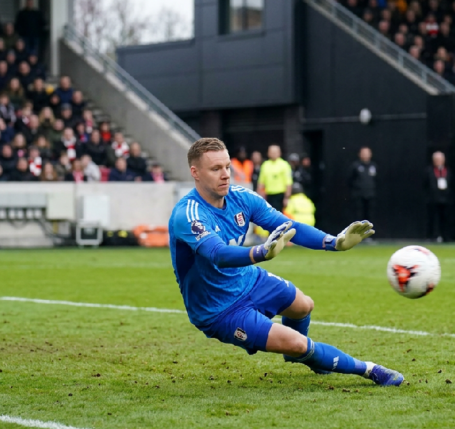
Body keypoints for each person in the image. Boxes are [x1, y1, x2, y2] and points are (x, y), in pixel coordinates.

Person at [167, 137, 403, 386]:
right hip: (218, 308)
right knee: (299, 343)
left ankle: (298, 356)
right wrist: (261, 253)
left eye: (227, 166)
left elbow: (289, 226)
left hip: (247, 279)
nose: (225, 174)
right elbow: (218, 254)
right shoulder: (188, 214)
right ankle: (369, 369)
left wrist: (334, 243)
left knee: (303, 306)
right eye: (216, 169)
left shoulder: (241, 198)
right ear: (195, 172)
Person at [424, 151, 453, 242]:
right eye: (436, 159)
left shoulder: (448, 171)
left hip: (445, 199)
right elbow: (425, 184)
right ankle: (432, 236)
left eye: (440, 159)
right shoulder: (429, 171)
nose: (438, 161)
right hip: (433, 199)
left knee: (445, 219)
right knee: (433, 219)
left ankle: (445, 236)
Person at [258, 144, 292, 211]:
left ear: (279, 153)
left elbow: (288, 183)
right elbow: (261, 182)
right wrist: (259, 196)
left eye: (275, 152)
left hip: (280, 195)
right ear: (268, 153)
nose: (273, 154)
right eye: (271, 152)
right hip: (269, 195)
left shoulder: (284, 165)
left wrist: (287, 198)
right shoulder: (265, 165)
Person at [348, 147, 377, 222]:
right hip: (358, 195)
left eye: (367, 153)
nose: (365, 155)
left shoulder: (373, 166)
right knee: (358, 214)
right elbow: (350, 179)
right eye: (363, 153)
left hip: (370, 194)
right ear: (359, 154)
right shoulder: (355, 166)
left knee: (369, 214)